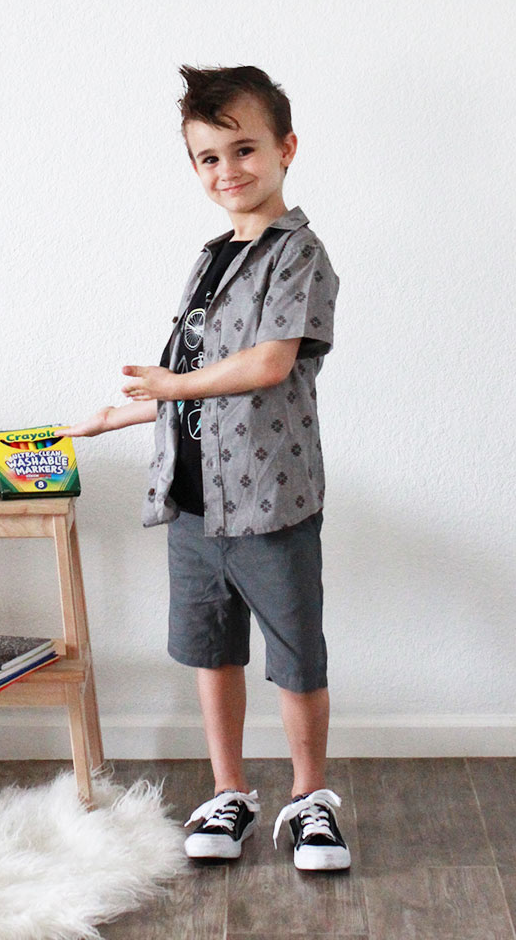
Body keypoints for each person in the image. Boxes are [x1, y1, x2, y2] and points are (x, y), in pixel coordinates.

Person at [55, 64, 349, 871]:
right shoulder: (211, 258)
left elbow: (264, 364)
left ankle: (309, 800)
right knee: (211, 651)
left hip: (270, 501)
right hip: (192, 501)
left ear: (287, 149)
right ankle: (229, 793)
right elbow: (197, 383)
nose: (229, 171)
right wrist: (123, 413)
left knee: (294, 655)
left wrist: (177, 384)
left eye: (245, 149)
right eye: (209, 158)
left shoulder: (300, 256)